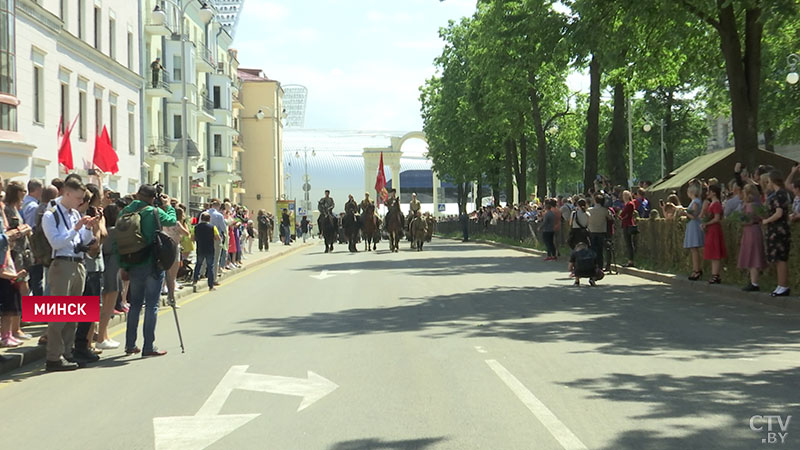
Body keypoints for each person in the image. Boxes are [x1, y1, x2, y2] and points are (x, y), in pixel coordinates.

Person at [41, 178, 98, 371]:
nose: (80, 202)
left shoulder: (74, 213)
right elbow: (56, 243)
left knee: (72, 314)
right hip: (62, 265)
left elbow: (83, 240)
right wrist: (75, 229)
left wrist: (88, 228)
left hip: (78, 263)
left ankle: (67, 352)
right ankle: (53, 357)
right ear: (66, 194)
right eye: (78, 198)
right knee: (59, 314)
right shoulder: (51, 215)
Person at [116, 185, 176, 357]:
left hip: (134, 263)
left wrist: (124, 266)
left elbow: (119, 241)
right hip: (153, 263)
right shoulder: (153, 211)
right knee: (151, 305)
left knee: (135, 305)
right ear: (152, 198)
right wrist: (168, 206)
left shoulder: (126, 212)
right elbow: (172, 221)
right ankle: (148, 346)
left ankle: (130, 344)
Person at [74, 184, 106, 363]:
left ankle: (82, 346)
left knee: (88, 310)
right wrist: (97, 225)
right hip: (83, 266)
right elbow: (95, 245)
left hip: (88, 266)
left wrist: (99, 223)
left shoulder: (86, 215)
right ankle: (78, 346)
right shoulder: (75, 216)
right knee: (83, 310)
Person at [762, 170, 792, 297]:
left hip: (779, 229)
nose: (767, 184)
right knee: (778, 258)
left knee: (781, 258)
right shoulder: (778, 194)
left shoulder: (780, 194)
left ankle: (784, 285)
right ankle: (780, 284)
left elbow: (779, 213)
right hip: (775, 229)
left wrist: (767, 220)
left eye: (768, 181)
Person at [97, 204, 120, 349]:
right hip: (112, 268)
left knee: (103, 306)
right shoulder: (115, 232)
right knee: (108, 307)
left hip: (104, 267)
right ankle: (101, 338)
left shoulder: (103, 230)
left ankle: (104, 335)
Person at [738, 184, 767, 292]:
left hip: (751, 229)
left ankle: (754, 282)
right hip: (752, 230)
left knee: (753, 254)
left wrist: (746, 220)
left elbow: (758, 218)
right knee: (752, 254)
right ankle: (752, 280)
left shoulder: (751, 205)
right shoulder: (755, 204)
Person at [701, 183, 726, 284]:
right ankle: (714, 273)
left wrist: (707, 223)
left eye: (709, 191)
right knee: (712, 252)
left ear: (713, 193)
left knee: (715, 252)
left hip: (714, 229)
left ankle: (715, 275)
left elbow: (717, 218)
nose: (707, 193)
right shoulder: (711, 204)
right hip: (711, 229)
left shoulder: (716, 204)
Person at [193, 212, 220, 292]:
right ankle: (210, 286)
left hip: (200, 248)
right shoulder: (212, 227)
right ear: (209, 219)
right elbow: (217, 238)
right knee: (210, 266)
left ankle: (194, 280)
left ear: (201, 219)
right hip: (209, 249)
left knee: (198, 264)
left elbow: (192, 238)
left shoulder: (196, 227)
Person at [587, 195, 610, 272]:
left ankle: (593, 264)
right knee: (600, 250)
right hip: (601, 231)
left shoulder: (589, 210)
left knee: (593, 249)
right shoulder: (605, 210)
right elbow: (611, 218)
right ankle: (600, 266)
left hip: (592, 231)